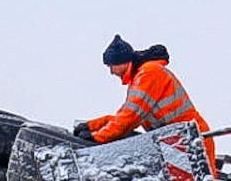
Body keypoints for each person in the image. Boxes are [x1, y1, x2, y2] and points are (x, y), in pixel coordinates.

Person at [73, 34, 218, 173]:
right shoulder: (141, 76)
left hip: (191, 141)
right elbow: (123, 115)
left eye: (111, 66)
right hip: (178, 141)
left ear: (121, 62)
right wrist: (92, 126)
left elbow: (129, 118)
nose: (111, 72)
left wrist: (97, 137)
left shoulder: (149, 74)